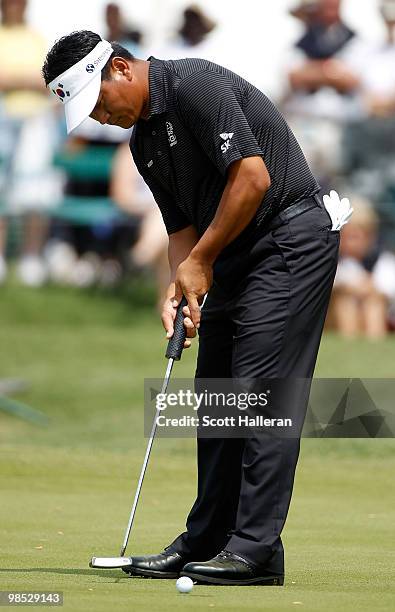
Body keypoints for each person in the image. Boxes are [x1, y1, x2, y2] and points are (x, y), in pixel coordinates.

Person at [42, 30, 349, 586]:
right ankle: (208, 540)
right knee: (216, 397)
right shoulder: (142, 143)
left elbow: (252, 178)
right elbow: (181, 230)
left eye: (100, 102)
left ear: (119, 68)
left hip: (288, 240)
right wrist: (179, 287)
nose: (101, 118)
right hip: (231, 252)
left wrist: (201, 262)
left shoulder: (194, 85)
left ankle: (255, 549)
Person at [0, 0, 60, 286]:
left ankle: (31, 257)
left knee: (35, 192)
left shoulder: (38, 39)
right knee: (2, 191)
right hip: (3, 120)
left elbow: (48, 79)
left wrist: (16, 79)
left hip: (35, 121)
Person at [329, 196, 395, 339]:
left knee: (374, 304)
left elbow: (387, 291)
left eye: (355, 237)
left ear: (369, 236)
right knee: (345, 301)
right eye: (345, 236)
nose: (349, 242)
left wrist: (367, 288)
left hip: (374, 312)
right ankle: (348, 341)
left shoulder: (382, 259)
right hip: (334, 317)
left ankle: (374, 343)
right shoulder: (333, 259)